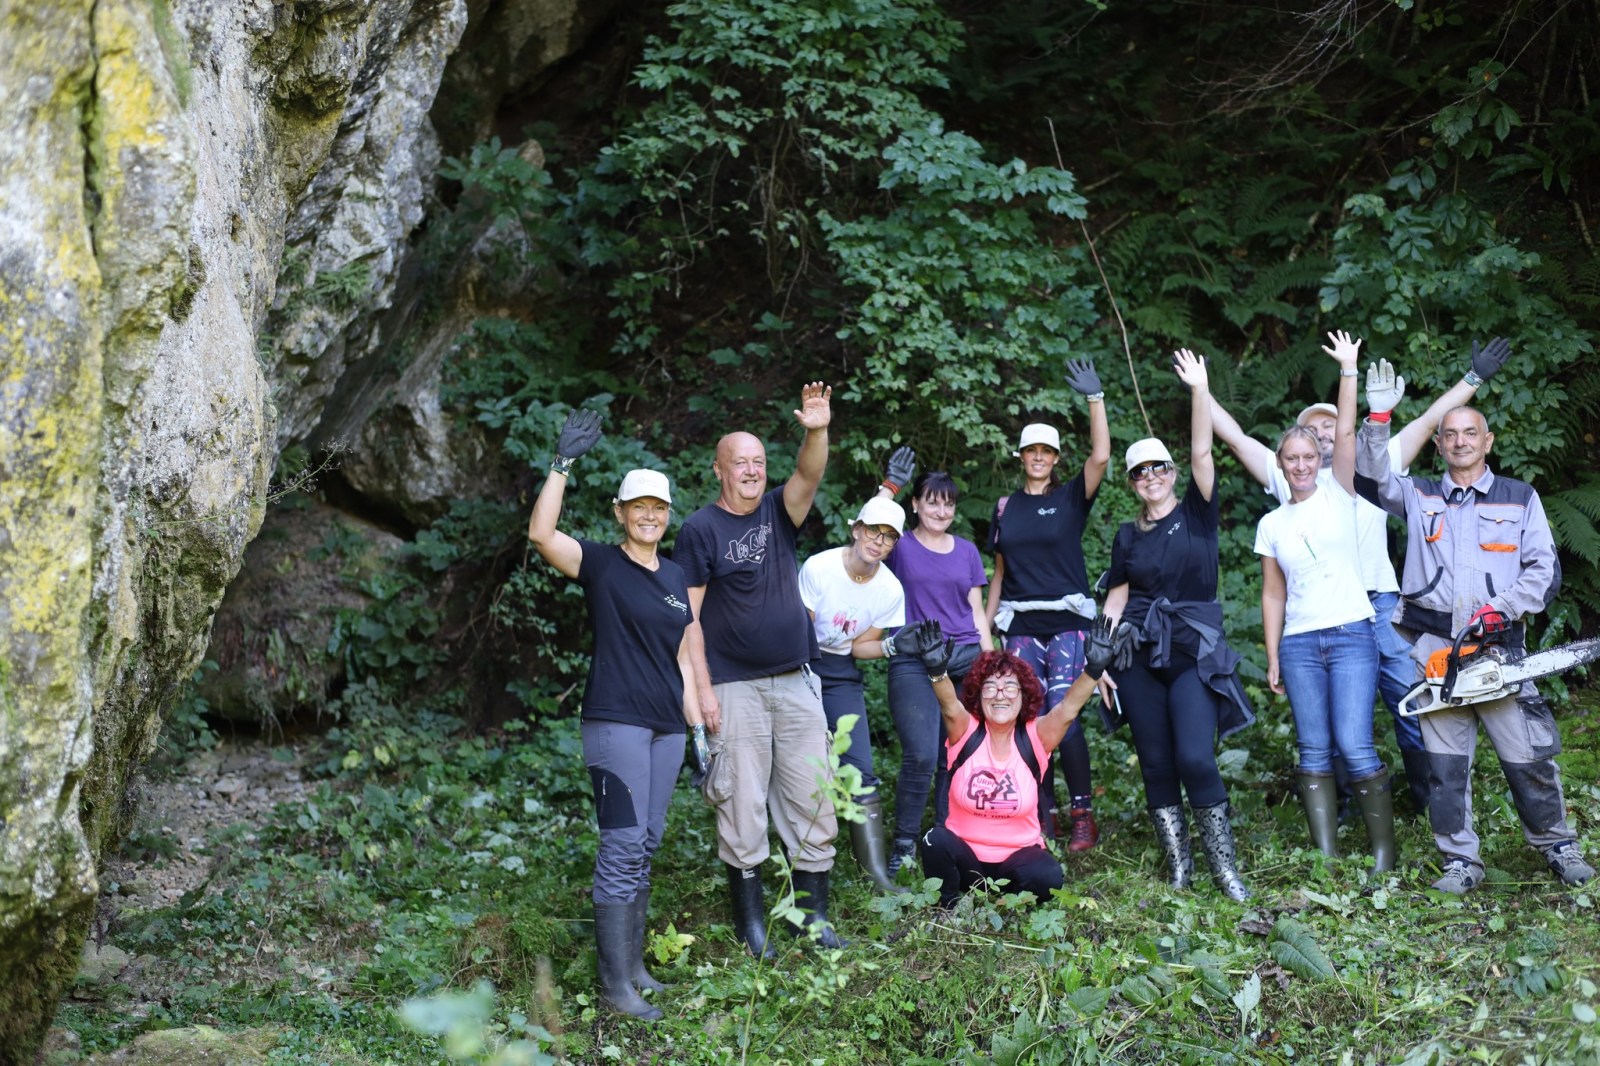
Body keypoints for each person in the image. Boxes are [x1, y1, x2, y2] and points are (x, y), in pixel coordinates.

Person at [1212, 337, 1515, 814]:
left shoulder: (1376, 460)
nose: (1323, 433)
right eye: (1313, 428)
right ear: (1298, 446)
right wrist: (1200, 390)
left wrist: (1473, 378)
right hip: (1323, 615)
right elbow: (1235, 439)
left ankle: (1431, 801)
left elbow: (1428, 422)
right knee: (1334, 717)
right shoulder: (1291, 476)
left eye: (1330, 424)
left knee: (1411, 698)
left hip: (1381, 604)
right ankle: (1348, 807)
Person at [1355, 365, 1594, 894]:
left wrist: (1502, 608)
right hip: (1436, 651)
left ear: (1487, 441)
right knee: (1444, 767)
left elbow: (1544, 570)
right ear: (1438, 444)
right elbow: (1367, 479)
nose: (1460, 441)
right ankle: (1460, 861)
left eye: (1470, 433)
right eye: (1450, 434)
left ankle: (1558, 845)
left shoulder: (1519, 496)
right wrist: (1378, 419)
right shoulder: (1417, 495)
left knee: (1529, 757)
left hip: (1499, 650)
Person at [526, 409, 699, 1020]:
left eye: (659, 508)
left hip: (667, 726)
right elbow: (542, 534)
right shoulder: (601, 563)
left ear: (667, 514)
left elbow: (682, 655)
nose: (649, 515)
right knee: (622, 845)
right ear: (620, 513)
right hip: (615, 722)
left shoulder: (675, 576)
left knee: (646, 843)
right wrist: (561, 464)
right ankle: (614, 989)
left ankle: (633, 970)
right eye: (638, 507)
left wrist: (698, 730)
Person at [677, 382, 843, 955]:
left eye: (758, 462)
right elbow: (688, 619)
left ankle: (810, 919)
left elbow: (809, 475)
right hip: (733, 688)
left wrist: (817, 430)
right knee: (741, 804)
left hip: (795, 680)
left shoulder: (777, 510)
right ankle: (752, 925)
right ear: (718, 470)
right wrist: (702, 691)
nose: (751, 471)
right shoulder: (699, 530)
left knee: (812, 796)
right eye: (739, 462)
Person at [1100, 349, 1255, 900]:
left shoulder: (1197, 513)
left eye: (1158, 468)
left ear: (1171, 473)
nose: (1151, 477)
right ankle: (1179, 869)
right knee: (1157, 763)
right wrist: (1101, 657)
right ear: (1132, 483)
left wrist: (1199, 390)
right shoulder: (1126, 535)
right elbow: (1118, 596)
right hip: (1138, 656)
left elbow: (1202, 451)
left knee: (1193, 756)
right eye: (1140, 472)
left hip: (1192, 652)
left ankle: (1224, 870)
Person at [1254, 332, 1392, 871]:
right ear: (1281, 464)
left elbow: (1349, 428)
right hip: (1299, 644)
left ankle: (1383, 853)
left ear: (1320, 458)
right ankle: (1327, 856)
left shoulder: (1341, 490)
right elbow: (1273, 592)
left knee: (1354, 745)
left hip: (1353, 633)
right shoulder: (1271, 523)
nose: (1301, 465)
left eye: (1309, 456)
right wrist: (1272, 655)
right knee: (1313, 749)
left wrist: (1349, 370)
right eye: (1292, 458)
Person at [895, 616, 1121, 908]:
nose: (1000, 695)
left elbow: (1067, 710)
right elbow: (949, 706)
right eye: (990, 687)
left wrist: (1092, 671)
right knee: (934, 840)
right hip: (966, 861)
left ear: (1023, 695)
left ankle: (1004, 905)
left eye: (1010, 687)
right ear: (979, 694)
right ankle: (948, 907)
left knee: (1048, 874)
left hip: (1016, 862)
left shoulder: (1035, 737)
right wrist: (938, 672)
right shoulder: (966, 731)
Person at [984, 358, 1110, 850]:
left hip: (1067, 623)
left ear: (1055, 458)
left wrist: (1095, 399)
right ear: (1021, 456)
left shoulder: (1071, 498)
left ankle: (1083, 815)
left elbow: (1100, 457)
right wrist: (987, 630)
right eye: (1031, 450)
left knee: (1063, 713)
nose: (1038, 457)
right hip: (1020, 626)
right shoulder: (1005, 508)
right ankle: (1040, 813)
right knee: (1025, 720)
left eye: (1046, 451)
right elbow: (999, 572)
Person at [870, 453, 994, 876]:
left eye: (948, 504)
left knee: (954, 755)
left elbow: (976, 612)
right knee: (921, 754)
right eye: (932, 502)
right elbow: (869, 530)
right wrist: (889, 486)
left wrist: (990, 662)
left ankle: (944, 837)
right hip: (914, 659)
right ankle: (904, 844)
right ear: (916, 504)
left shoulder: (967, 551)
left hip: (964, 658)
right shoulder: (900, 546)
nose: (941, 511)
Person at [797, 496, 909, 893]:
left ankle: (875, 876)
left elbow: (861, 648)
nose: (879, 541)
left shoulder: (890, 589)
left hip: (842, 671)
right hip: (800, 663)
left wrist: (895, 646)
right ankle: (801, 863)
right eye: (874, 531)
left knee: (860, 768)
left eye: (889, 537)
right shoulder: (820, 567)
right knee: (803, 764)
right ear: (857, 529)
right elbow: (800, 630)